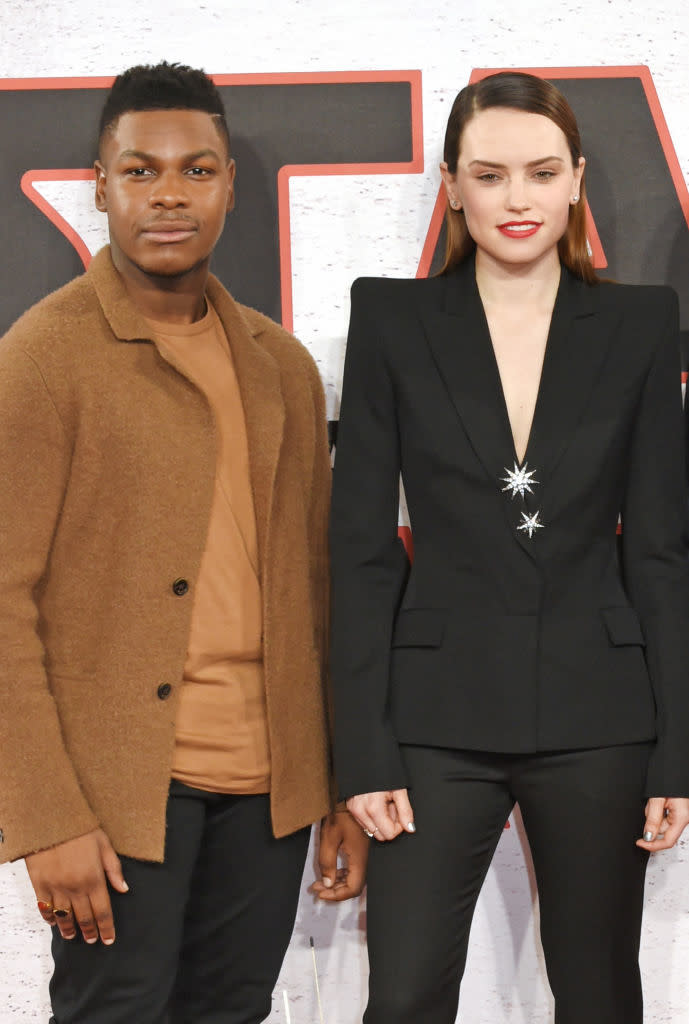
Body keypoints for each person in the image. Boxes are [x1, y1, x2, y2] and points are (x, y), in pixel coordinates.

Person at [0, 61, 366, 1024]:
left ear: (229, 187)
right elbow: (2, 599)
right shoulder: (42, 358)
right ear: (101, 185)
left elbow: (314, 592)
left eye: (196, 170)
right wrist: (48, 817)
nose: (169, 194)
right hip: (121, 792)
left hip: (269, 790)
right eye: (141, 171)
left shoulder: (279, 364)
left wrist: (332, 781)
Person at [330, 71, 689, 1024]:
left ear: (575, 180)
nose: (516, 199)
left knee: (600, 994)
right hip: (432, 719)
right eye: (489, 175)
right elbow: (360, 548)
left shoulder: (640, 323)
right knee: (403, 995)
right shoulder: (392, 320)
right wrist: (361, 749)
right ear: (452, 185)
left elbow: (658, 549)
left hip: (602, 716)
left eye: (539, 172)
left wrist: (676, 755)